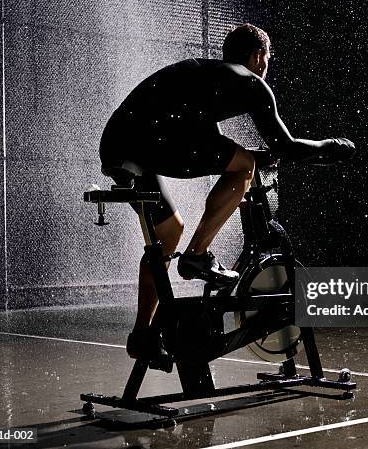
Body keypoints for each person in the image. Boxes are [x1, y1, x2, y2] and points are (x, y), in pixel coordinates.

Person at [99, 23, 355, 361]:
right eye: (267, 57)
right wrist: (331, 147)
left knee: (168, 232)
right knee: (245, 165)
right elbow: (287, 146)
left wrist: (255, 155)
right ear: (259, 56)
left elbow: (206, 142)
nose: (267, 65)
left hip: (119, 145)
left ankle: (143, 334)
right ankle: (198, 254)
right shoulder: (252, 83)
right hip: (153, 139)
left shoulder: (204, 76)